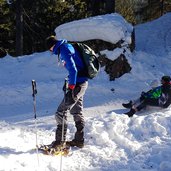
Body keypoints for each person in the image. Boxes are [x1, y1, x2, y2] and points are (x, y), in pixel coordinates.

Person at [46, 35, 88, 148]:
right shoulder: (67, 47)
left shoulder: (64, 49)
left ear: (52, 46)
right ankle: (79, 141)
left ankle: (60, 142)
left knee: (60, 112)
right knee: (76, 111)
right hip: (82, 82)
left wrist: (71, 86)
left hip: (77, 84)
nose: (50, 51)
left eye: (49, 49)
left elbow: (73, 69)